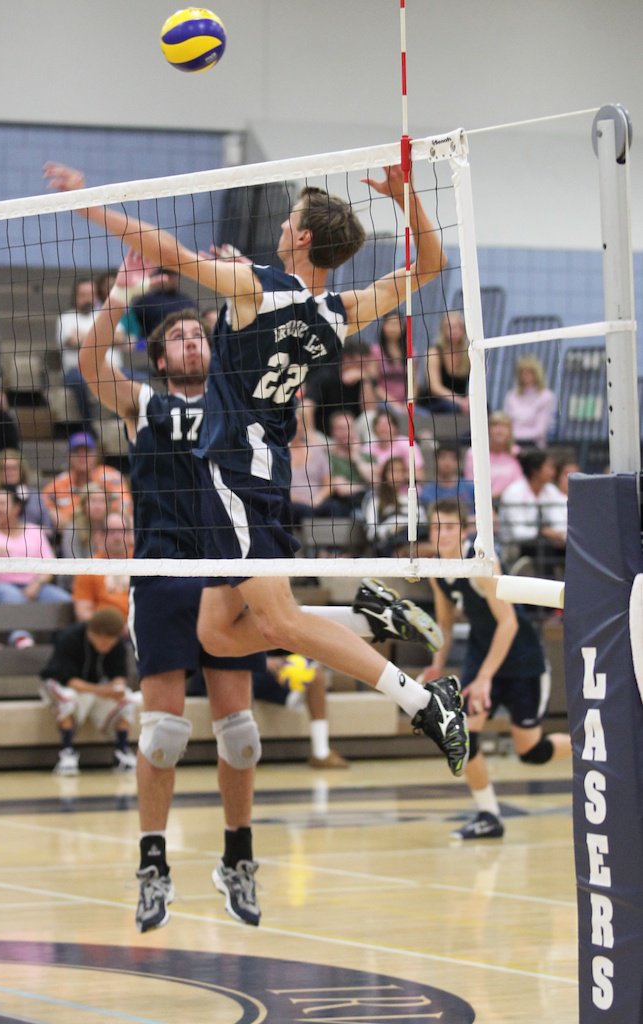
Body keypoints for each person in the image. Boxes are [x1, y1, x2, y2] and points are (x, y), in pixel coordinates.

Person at [43, 162, 467, 780]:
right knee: (218, 634)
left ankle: (424, 700)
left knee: (275, 620)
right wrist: (407, 199)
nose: (283, 227)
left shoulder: (255, 289)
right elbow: (432, 264)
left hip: (236, 473)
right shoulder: (339, 311)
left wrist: (91, 206)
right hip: (258, 470)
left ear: (302, 237)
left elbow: (168, 251)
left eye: (290, 220)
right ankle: (366, 616)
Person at [74, 251, 267, 932]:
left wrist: (242, 278)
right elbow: (89, 364)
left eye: (198, 335)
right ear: (159, 358)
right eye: (179, 336)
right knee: (161, 735)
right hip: (162, 570)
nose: (191, 341)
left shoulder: (234, 398)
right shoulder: (144, 404)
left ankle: (237, 857)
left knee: (241, 735)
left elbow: (261, 330)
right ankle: (152, 866)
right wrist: (121, 292)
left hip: (228, 570)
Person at [424, 499, 571, 839]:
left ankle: (597, 744)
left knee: (532, 752)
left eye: (449, 527)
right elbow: (445, 623)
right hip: (482, 653)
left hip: (521, 658)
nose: (442, 534)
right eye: (435, 527)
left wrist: (485, 678)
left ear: (464, 531)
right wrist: (436, 665)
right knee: (462, 734)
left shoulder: (482, 564)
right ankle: (488, 815)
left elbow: (509, 624)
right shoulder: (436, 569)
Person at [189, 654, 349, 769]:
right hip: (226, 664)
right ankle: (240, 754)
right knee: (241, 678)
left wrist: (285, 661)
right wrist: (261, 661)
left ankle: (321, 753)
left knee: (314, 673)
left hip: (264, 668)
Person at [39, 607, 137, 776]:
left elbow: (120, 675)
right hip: (64, 685)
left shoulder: (117, 644)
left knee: (127, 700)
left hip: (95, 689)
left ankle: (122, 752)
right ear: (92, 633)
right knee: (67, 699)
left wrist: (117, 689)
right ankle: (67, 753)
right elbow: (67, 679)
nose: (107, 646)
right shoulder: (70, 637)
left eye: (111, 642)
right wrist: (102, 690)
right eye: (103, 642)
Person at [0, 484, 72, 604]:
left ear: (16, 508)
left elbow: (49, 566)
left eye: (2, 504)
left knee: (67, 601)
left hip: (34, 584)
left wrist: (36, 585)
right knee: (14, 599)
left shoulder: (34, 531)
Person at [41, 431, 132, 542]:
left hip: (110, 536)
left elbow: (125, 510)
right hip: (73, 537)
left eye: (87, 452)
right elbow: (45, 508)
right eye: (77, 452)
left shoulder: (111, 477)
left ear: (96, 455)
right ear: (68, 457)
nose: (82, 456)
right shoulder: (58, 484)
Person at [497, 448, 567, 577]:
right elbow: (519, 533)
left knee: (569, 548)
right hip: (514, 546)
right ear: (535, 470)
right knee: (543, 546)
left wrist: (560, 536)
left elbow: (560, 519)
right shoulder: (514, 492)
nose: (553, 472)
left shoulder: (550, 490)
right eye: (549, 467)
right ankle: (547, 585)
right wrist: (544, 532)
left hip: (546, 541)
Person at [361, 454, 429, 557]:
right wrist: (391, 529)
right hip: (391, 543)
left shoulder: (412, 498)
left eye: (400, 471)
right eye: (392, 471)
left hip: (416, 538)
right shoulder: (375, 499)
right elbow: (371, 533)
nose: (397, 475)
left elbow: (423, 522)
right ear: (385, 474)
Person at [72, 511, 133, 623]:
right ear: (100, 535)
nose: (117, 537)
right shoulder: (89, 567)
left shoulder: (142, 564)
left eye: (122, 531)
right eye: (111, 532)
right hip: (103, 628)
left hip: (138, 626)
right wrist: (112, 628)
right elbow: (83, 612)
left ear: (130, 535)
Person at [0, 448, 53, 532]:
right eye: (5, 468)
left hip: (31, 539)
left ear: (22, 471)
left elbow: (48, 528)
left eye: (14, 468)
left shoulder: (35, 496)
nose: (9, 472)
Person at [56, 277, 98, 428]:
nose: (87, 299)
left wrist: (82, 336)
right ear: (75, 296)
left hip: (104, 370)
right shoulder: (66, 318)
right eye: (83, 295)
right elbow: (71, 341)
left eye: (91, 294)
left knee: (138, 378)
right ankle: (89, 427)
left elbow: (120, 337)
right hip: (74, 371)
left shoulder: (103, 315)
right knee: (79, 382)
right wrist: (99, 337)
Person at [463, 411, 523, 500]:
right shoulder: (474, 453)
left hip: (511, 501)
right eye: (495, 426)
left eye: (504, 426)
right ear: (488, 429)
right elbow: (470, 483)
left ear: (510, 431)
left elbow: (520, 483)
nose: (500, 431)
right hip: (481, 501)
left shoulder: (516, 452)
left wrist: (502, 496)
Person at [420, 311, 471, 415]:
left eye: (457, 327)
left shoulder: (469, 352)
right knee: (453, 408)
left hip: (460, 401)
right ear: (442, 330)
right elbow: (435, 387)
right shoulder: (434, 352)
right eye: (449, 327)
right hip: (435, 402)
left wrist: (469, 399)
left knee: (484, 407)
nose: (454, 331)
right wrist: (460, 401)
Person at [502, 355, 556, 448]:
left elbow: (540, 431)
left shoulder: (546, 396)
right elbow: (506, 422)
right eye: (522, 372)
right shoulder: (511, 395)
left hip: (534, 446)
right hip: (511, 445)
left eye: (529, 372)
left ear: (537, 374)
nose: (525, 376)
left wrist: (513, 435)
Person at [128, 265, 193, 340]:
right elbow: (132, 326)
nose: (172, 279)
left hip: (185, 339)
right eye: (168, 275)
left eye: (174, 275)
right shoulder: (145, 300)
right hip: (154, 342)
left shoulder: (186, 299)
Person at [420, 442, 475, 516]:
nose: (447, 462)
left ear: (458, 462)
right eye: (443, 457)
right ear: (435, 460)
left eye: (452, 458)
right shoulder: (427, 492)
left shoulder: (470, 487)